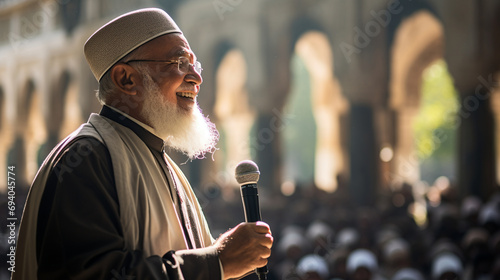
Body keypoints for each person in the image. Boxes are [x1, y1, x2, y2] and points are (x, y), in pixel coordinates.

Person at [13, 8, 273, 280]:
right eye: (178, 63)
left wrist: (223, 259)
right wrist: (216, 262)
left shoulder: (165, 165)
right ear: (126, 79)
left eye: (194, 65)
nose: (196, 78)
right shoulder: (85, 158)